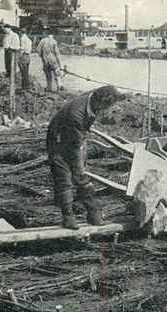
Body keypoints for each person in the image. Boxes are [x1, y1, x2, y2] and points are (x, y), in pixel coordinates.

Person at [47, 86, 125, 229]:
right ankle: (68, 217)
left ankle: (92, 214)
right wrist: (80, 169)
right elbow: (74, 148)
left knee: (81, 175)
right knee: (66, 178)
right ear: (100, 102)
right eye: (107, 107)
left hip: (74, 138)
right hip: (57, 142)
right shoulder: (75, 115)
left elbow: (79, 140)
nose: (107, 111)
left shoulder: (92, 101)